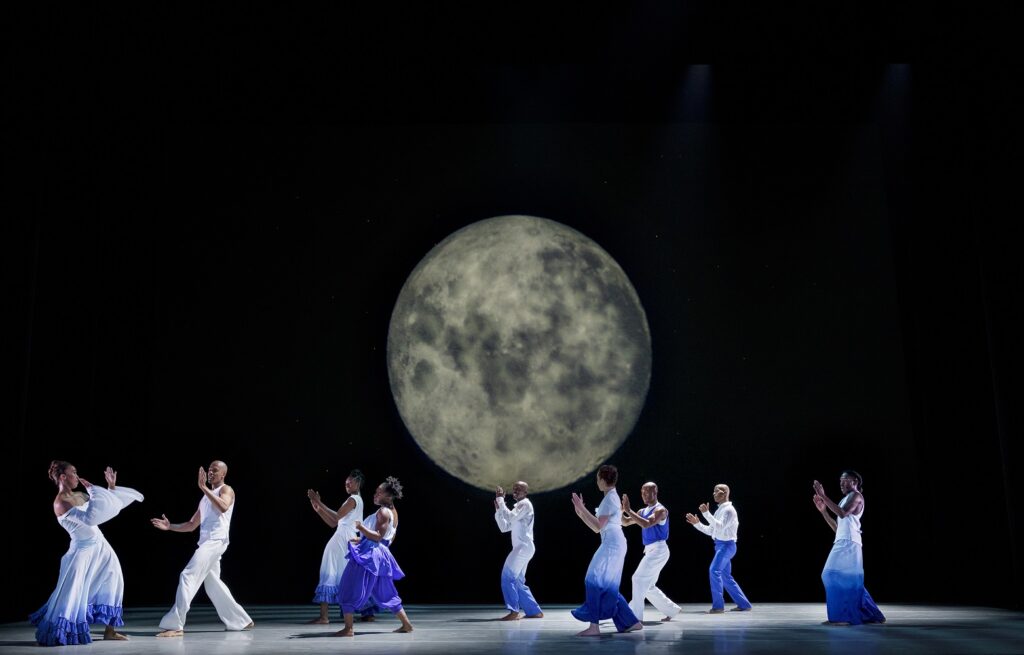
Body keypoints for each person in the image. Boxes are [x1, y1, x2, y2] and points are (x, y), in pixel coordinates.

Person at [31, 461, 143, 646]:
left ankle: (110, 630)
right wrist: (94, 491)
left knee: (115, 580)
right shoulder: (60, 502)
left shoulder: (79, 495)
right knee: (74, 592)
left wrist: (110, 488)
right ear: (63, 477)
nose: (77, 476)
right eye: (73, 472)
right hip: (82, 550)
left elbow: (105, 508)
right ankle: (63, 631)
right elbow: (90, 518)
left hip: (100, 545)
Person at [151, 460, 253, 637]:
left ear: (223, 474)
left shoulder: (226, 490)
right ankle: (241, 620)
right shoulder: (205, 497)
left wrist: (203, 487)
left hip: (216, 541)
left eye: (214, 470)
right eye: (209, 470)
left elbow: (223, 506)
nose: (210, 473)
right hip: (207, 542)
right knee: (212, 585)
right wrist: (170, 527)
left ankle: (176, 624)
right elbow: (191, 524)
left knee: (187, 575)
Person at [334, 476, 414, 637]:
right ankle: (406, 624)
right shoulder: (393, 512)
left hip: (370, 556)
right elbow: (387, 538)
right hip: (379, 554)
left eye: (379, 492)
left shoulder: (384, 511)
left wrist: (361, 528)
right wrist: (362, 539)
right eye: (376, 491)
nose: (375, 494)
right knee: (386, 592)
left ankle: (348, 628)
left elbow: (377, 536)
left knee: (348, 585)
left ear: (389, 496)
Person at [570, 464, 643, 636]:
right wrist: (580, 514)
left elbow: (597, 527)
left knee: (593, 579)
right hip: (614, 543)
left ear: (603, 479)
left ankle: (594, 626)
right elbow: (599, 528)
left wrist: (582, 509)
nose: (597, 482)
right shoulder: (612, 497)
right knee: (608, 585)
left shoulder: (609, 499)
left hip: (612, 544)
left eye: (597, 479)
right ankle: (631, 622)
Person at [813, 471, 886, 626]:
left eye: (844, 480)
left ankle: (843, 617)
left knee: (830, 574)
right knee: (851, 581)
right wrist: (824, 511)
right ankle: (871, 614)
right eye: (840, 480)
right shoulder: (845, 499)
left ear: (855, 481)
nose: (841, 483)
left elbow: (842, 512)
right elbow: (837, 527)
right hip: (844, 540)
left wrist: (824, 496)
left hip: (849, 543)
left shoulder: (856, 496)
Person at [306, 469, 366, 624]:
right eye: (346, 482)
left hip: (342, 540)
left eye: (350, 482)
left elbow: (337, 516)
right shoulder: (355, 500)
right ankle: (360, 612)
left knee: (329, 572)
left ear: (358, 483)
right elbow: (334, 522)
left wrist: (318, 501)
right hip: (346, 539)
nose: (347, 484)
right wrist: (319, 510)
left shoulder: (353, 499)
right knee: (344, 576)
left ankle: (324, 616)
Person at [685, 483, 753, 613]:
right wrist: (697, 523)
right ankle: (744, 604)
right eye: (714, 491)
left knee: (714, 570)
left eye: (717, 491)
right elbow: (712, 531)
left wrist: (706, 514)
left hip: (727, 546)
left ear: (725, 493)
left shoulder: (729, 510)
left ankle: (718, 606)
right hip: (720, 545)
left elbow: (720, 526)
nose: (714, 493)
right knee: (726, 576)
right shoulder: (719, 510)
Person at [622, 482, 681, 621]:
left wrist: (629, 510)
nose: (644, 495)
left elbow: (646, 523)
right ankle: (671, 610)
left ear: (655, 493)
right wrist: (618, 511)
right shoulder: (642, 511)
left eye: (647, 492)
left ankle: (634, 617)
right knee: (647, 586)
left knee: (638, 579)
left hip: (659, 550)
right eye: (642, 492)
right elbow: (625, 522)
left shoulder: (661, 511)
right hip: (650, 551)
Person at [494, 481, 543, 620]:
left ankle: (514, 611)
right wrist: (498, 510)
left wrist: (501, 501)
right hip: (523, 548)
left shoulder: (525, 504)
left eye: (519, 489)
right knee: (518, 581)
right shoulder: (519, 508)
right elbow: (505, 527)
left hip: (523, 547)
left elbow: (509, 516)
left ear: (525, 492)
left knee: (507, 576)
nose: (515, 490)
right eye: (514, 488)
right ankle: (534, 611)